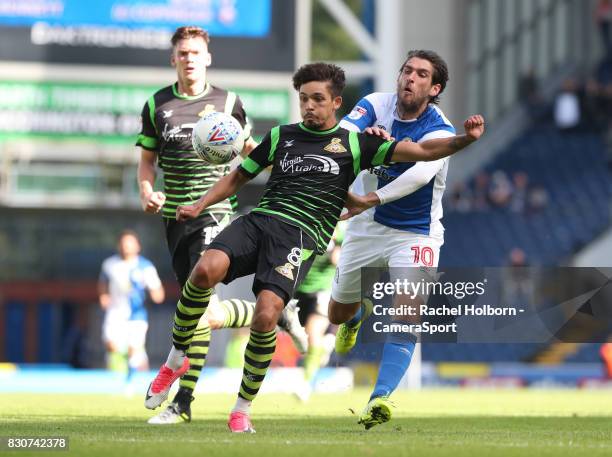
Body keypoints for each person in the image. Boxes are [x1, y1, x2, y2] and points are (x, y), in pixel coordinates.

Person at [144, 61, 485, 433]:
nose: (309, 106)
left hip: (302, 237)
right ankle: (177, 356)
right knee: (204, 271)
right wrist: (199, 205)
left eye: (317, 99)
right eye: (304, 99)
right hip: (261, 220)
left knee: (265, 317)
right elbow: (239, 176)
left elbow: (422, 154)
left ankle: (242, 408)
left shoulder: (359, 143)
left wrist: (464, 140)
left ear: (336, 102)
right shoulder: (281, 136)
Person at [137, 25, 307, 425]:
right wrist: (147, 191)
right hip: (175, 216)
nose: (190, 58)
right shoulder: (156, 105)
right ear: (173, 58)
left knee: (204, 311)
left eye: (196, 52)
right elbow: (147, 161)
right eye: (183, 53)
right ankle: (274, 315)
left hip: (214, 212)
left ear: (208, 57)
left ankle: (182, 401)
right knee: (198, 313)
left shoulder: (228, 102)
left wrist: (284, 168)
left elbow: (250, 150)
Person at [327, 50, 474, 429]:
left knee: (408, 314)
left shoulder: (439, 129)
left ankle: (380, 398)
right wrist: (363, 137)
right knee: (336, 313)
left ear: (434, 87)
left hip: (416, 233)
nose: (409, 77)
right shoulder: (376, 104)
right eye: (406, 70)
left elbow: (419, 176)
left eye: (421, 74)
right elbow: (341, 135)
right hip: (366, 227)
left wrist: (368, 198)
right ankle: (357, 314)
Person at [98, 230, 165, 384]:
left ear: (137, 246)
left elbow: (157, 289)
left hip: (136, 315)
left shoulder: (145, 267)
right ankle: (123, 372)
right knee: (112, 346)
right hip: (115, 312)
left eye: (130, 243)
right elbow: (102, 283)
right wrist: (103, 296)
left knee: (134, 348)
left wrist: (156, 294)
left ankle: (136, 381)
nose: (126, 247)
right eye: (123, 243)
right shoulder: (110, 264)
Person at [293, 222, 346, 402]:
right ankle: (323, 348)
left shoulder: (341, 229)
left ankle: (304, 384)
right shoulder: (305, 221)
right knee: (304, 338)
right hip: (299, 287)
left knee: (313, 333)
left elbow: (337, 259)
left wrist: (335, 251)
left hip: (322, 288)